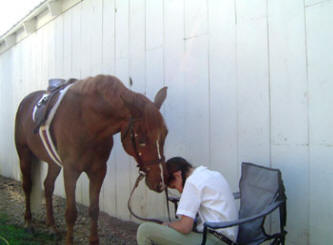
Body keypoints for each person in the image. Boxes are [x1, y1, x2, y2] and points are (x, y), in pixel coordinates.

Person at [137, 157, 238, 245]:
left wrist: (167, 225)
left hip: (214, 241)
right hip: (228, 238)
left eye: (175, 186)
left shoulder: (192, 182)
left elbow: (185, 227)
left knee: (145, 230)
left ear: (177, 176)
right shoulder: (213, 174)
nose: (180, 191)